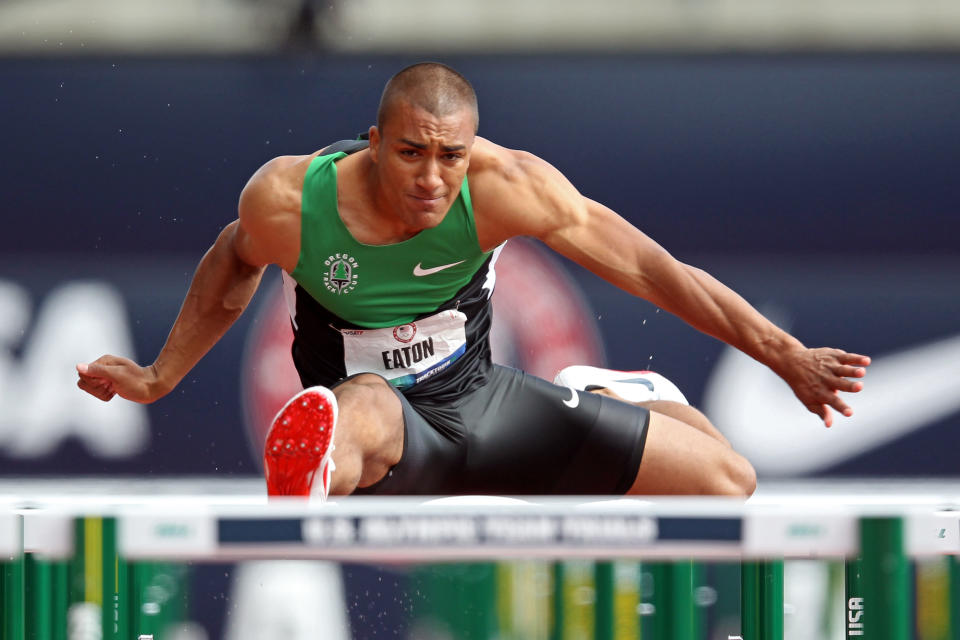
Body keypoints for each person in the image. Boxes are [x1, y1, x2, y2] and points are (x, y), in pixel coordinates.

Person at [76, 62, 870, 499]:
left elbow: (653, 270)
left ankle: (624, 397)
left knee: (730, 483)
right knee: (356, 412)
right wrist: (158, 375)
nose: (431, 177)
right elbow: (232, 260)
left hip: (483, 403)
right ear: (374, 143)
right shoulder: (292, 200)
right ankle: (320, 472)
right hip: (380, 425)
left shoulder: (509, 187)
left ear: (473, 149)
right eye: (411, 152)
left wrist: (783, 355)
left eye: (450, 156)